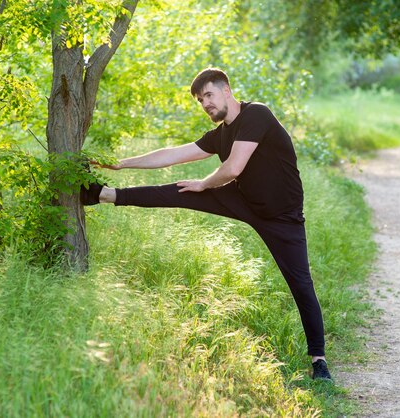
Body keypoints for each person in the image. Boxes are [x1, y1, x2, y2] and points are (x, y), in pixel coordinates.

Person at [81, 68, 332, 380]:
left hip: (283, 218)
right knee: (179, 191)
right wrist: (120, 163)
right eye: (201, 100)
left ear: (226, 90)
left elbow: (233, 167)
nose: (205, 104)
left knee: (301, 284)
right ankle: (102, 195)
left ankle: (319, 360)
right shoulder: (220, 134)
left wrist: (204, 184)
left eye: (209, 95)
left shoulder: (257, 115)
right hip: (243, 199)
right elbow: (173, 154)